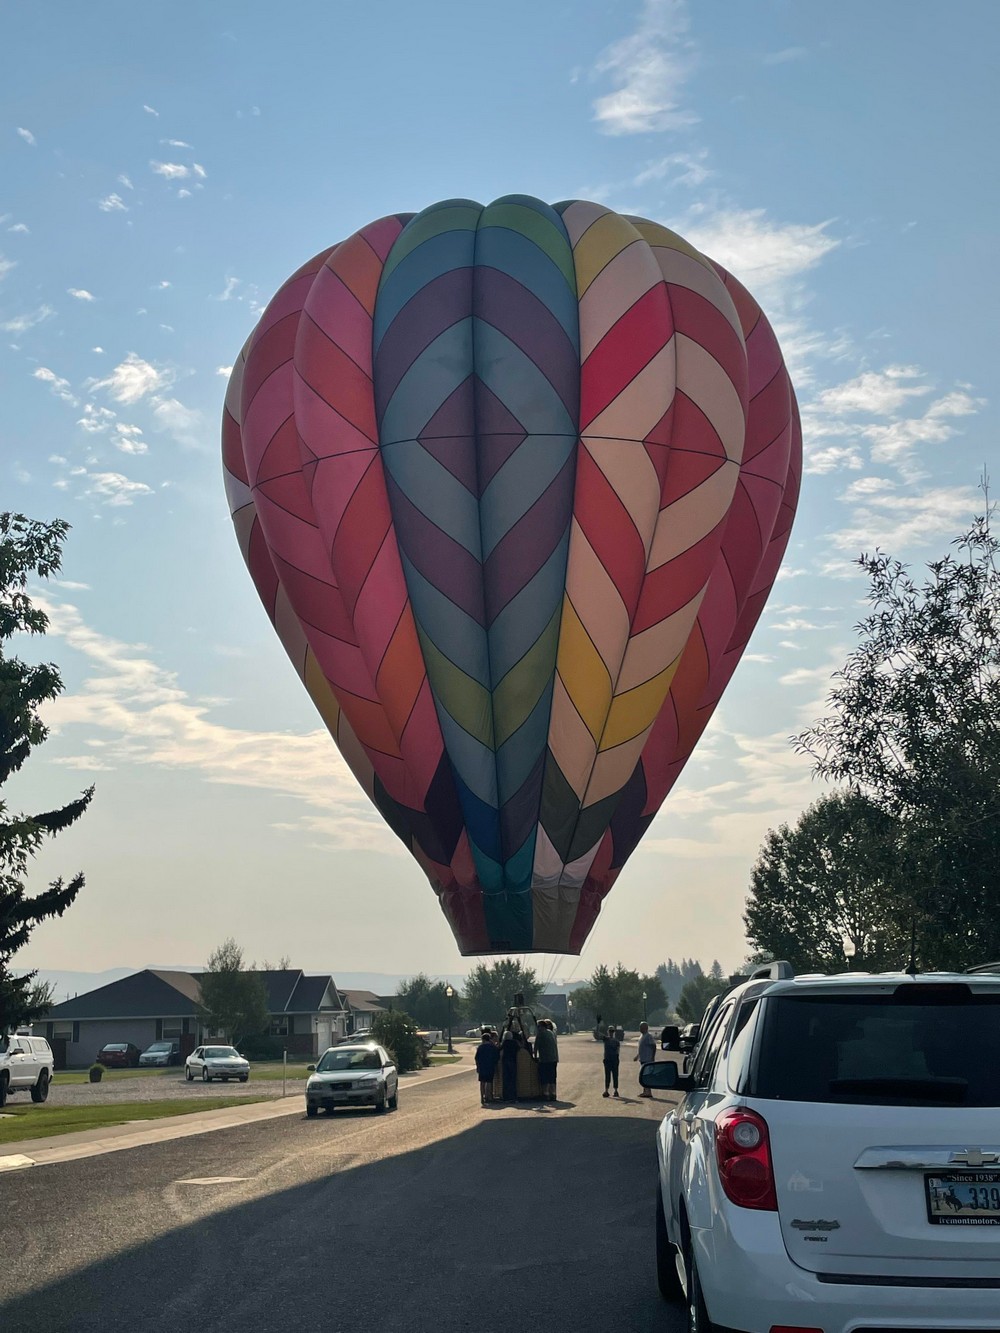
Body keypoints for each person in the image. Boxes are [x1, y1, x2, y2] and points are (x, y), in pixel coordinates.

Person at [534, 1018, 559, 1101]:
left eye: (538, 1026)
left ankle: (546, 1093)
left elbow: (536, 1046)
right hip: (554, 1058)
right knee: (552, 1076)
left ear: (541, 1027)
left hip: (545, 1059)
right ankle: (554, 1093)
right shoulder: (551, 1033)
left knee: (545, 1077)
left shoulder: (540, 1034)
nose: (537, 1028)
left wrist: (534, 1056)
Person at [475, 1030, 501, 1106]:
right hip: (490, 1066)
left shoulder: (480, 1047)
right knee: (489, 1082)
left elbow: (477, 1058)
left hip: (482, 1066)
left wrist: (477, 1066)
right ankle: (489, 1097)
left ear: (483, 1039)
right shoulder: (492, 1047)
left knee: (482, 1083)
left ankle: (482, 1097)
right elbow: (497, 1056)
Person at [635, 1021, 656, 1097]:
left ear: (645, 1028)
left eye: (641, 1027)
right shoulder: (641, 1036)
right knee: (643, 1075)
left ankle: (648, 1091)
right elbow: (641, 1048)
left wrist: (652, 1057)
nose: (640, 1028)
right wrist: (637, 1056)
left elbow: (653, 1046)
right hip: (642, 1059)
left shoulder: (648, 1036)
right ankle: (645, 1091)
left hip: (648, 1059)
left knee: (646, 1075)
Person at [600, 1022, 621, 1097]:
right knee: (608, 1075)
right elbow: (599, 1033)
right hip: (608, 1059)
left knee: (615, 1075)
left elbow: (618, 1051)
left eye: (612, 1031)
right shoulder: (606, 1039)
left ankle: (615, 1090)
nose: (611, 1033)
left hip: (613, 1059)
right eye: (610, 1031)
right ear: (608, 1032)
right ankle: (607, 1090)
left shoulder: (616, 1041)